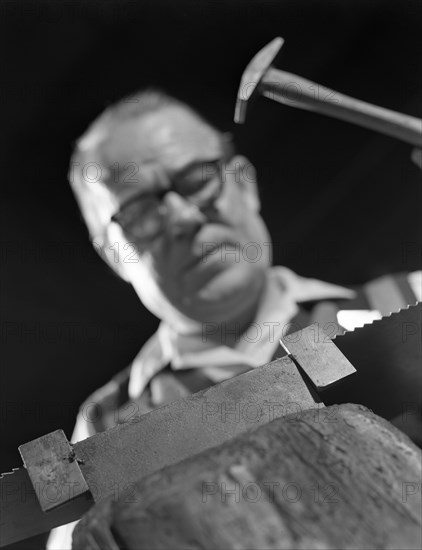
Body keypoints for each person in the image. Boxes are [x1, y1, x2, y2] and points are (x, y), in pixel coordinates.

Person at [48, 90, 421, 549]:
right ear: (114, 255)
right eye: (142, 212)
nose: (183, 217)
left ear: (243, 182)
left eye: (198, 179)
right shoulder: (101, 433)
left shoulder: (410, 303)